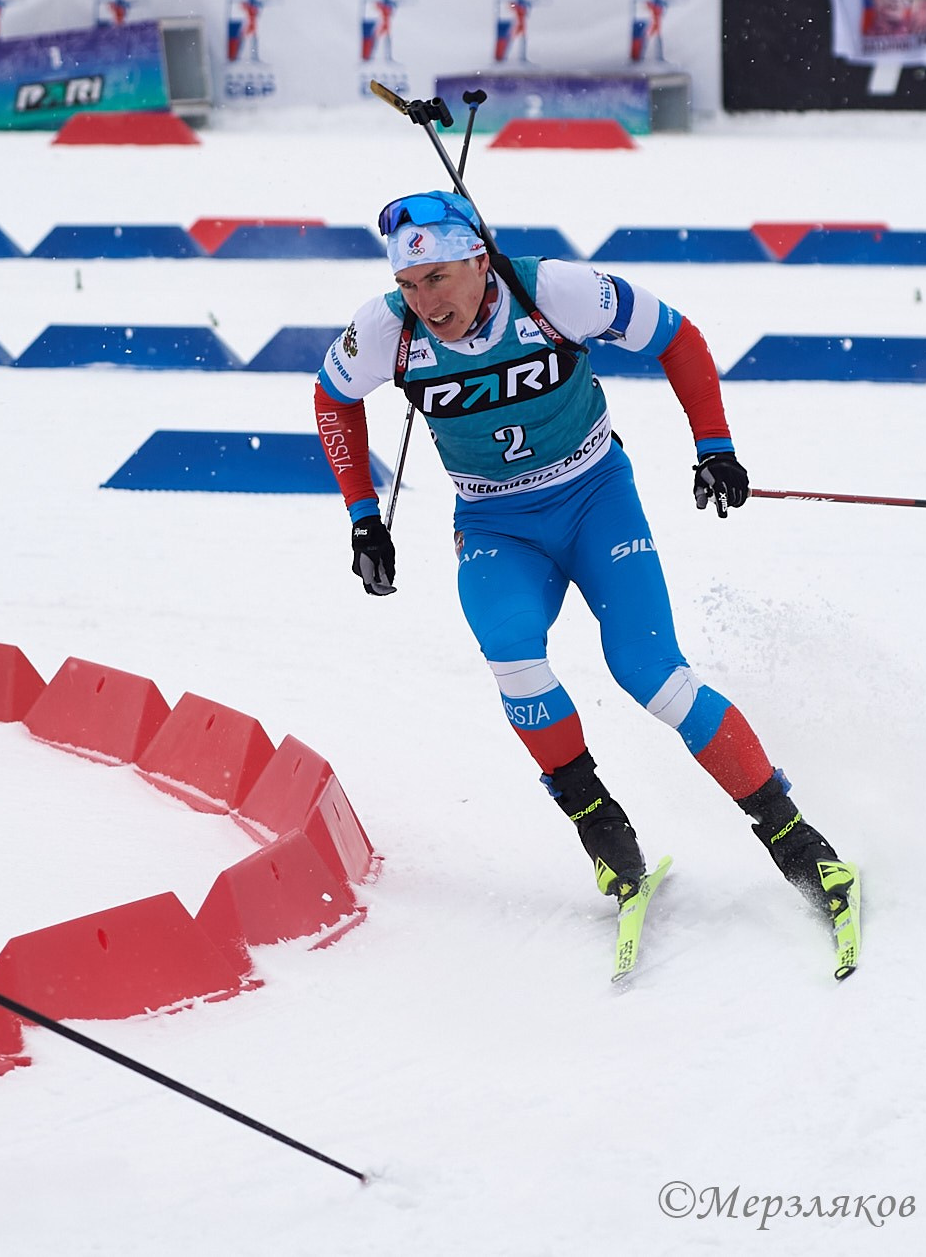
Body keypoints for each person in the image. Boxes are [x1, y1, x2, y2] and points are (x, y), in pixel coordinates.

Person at [311, 184, 859, 971]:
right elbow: (332, 399)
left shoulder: (551, 290)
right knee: (512, 653)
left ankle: (797, 839)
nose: (422, 301)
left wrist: (715, 446)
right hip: (498, 524)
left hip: (597, 499)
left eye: (436, 280)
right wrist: (364, 515)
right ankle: (603, 832)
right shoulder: (386, 331)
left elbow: (678, 336)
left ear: (478, 261)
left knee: (650, 672)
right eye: (406, 283)